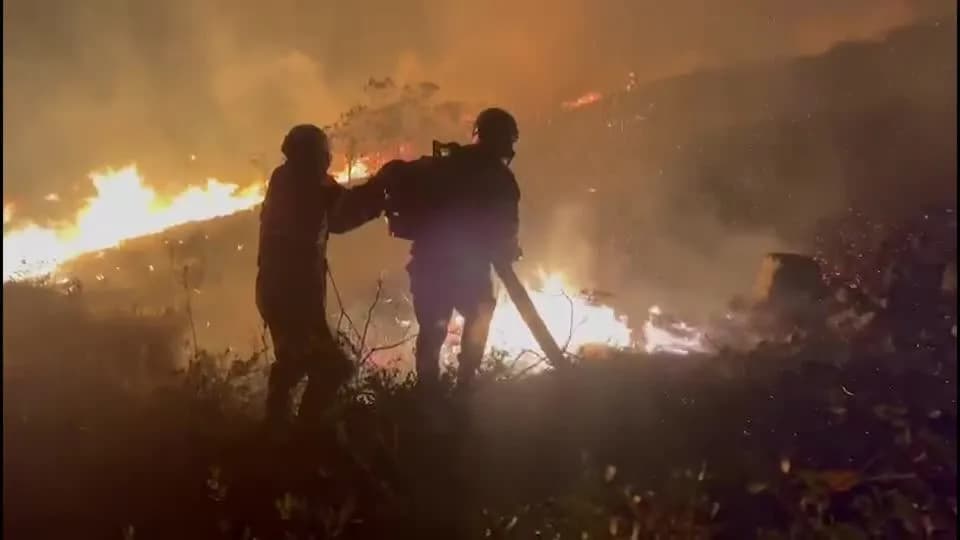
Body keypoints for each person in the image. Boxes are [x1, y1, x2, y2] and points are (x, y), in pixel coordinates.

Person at [256, 124, 385, 427]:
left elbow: (335, 215)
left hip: (275, 292)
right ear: (315, 156)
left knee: (295, 361)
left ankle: (279, 429)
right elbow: (347, 213)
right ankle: (306, 431)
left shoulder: (284, 179)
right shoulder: (310, 184)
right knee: (334, 368)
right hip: (295, 296)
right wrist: (380, 192)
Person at [398, 108, 523, 393]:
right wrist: (509, 250)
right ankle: (465, 384)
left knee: (432, 329)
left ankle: (427, 391)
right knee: (480, 314)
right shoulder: (500, 178)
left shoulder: (445, 164)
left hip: (428, 265)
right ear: (501, 140)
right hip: (468, 267)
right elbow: (506, 227)